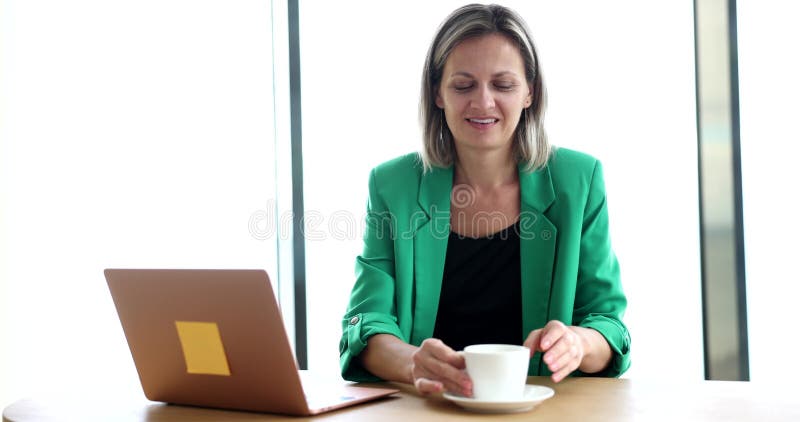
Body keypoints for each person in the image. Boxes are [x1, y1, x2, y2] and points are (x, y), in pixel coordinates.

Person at [339, 3, 630, 397]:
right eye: (463, 86)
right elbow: (366, 323)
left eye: (503, 85)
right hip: (430, 408)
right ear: (437, 94)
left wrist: (578, 343)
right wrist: (413, 363)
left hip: (542, 411)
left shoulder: (578, 180)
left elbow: (607, 323)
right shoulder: (394, 185)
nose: (483, 102)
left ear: (531, 92)